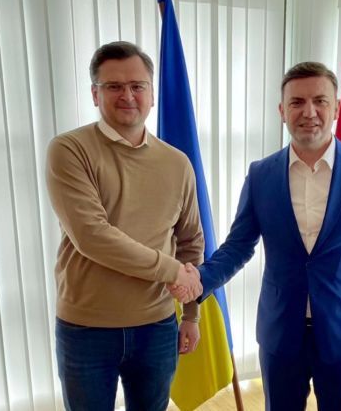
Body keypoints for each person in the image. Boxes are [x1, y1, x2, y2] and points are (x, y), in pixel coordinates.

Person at [171, 62, 341, 411]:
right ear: (282, 111)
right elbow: (238, 246)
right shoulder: (261, 174)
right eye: (297, 102)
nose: (309, 112)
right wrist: (199, 280)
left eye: (320, 101)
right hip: (280, 331)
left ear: (336, 108)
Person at [46, 41, 204, 411]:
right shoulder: (69, 150)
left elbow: (190, 241)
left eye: (137, 86)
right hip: (86, 330)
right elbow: (92, 236)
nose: (127, 96)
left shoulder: (177, 163)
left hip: (157, 326)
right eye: (114, 86)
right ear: (94, 94)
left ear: (152, 94)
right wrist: (171, 271)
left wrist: (191, 314)